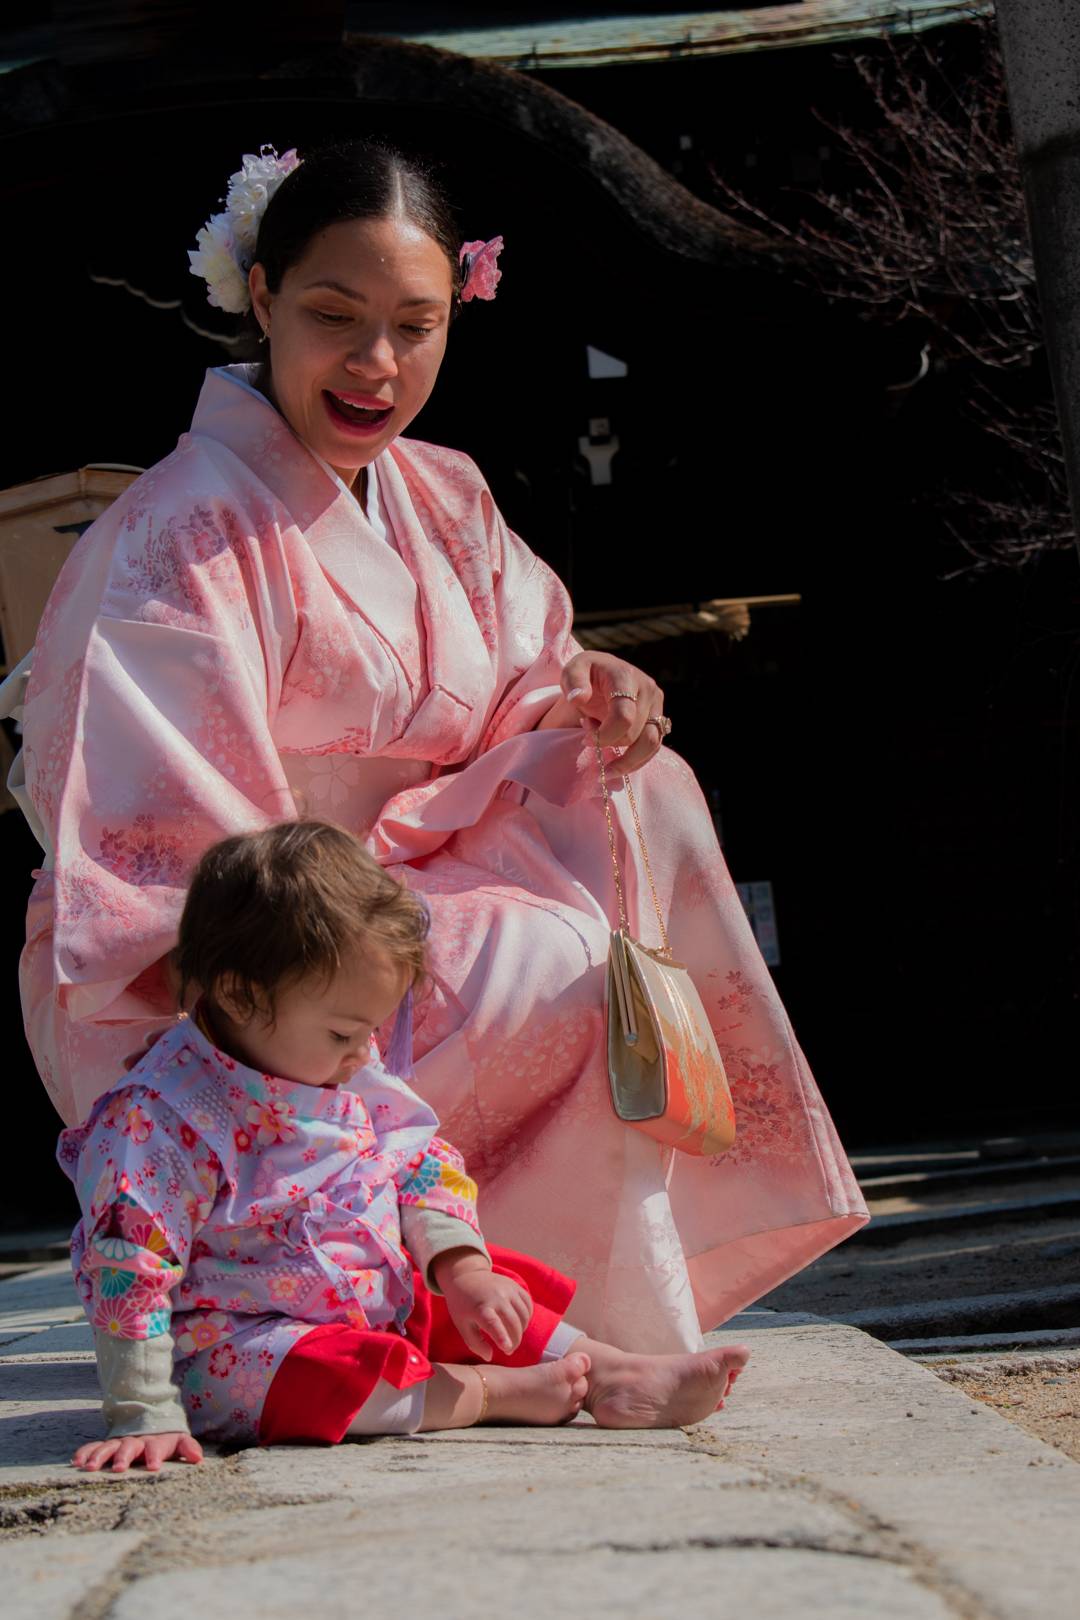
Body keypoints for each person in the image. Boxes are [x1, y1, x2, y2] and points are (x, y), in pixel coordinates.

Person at [20, 139, 866, 1356]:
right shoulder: (180, 532)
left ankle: (565, 1299)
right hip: (237, 955)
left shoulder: (449, 494)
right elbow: (165, 845)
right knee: (552, 953)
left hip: (406, 889)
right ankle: (495, 1309)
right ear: (262, 299)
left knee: (649, 790)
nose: (377, 364)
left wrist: (595, 694)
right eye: (334, 316)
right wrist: (351, 921)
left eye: (416, 326)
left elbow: (528, 688)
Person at [63, 821, 750, 1471]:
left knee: (486, 1294)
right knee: (320, 1380)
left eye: (371, 1030)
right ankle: (489, 1397)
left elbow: (418, 1159)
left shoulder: (343, 1068)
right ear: (240, 996)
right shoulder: (159, 1117)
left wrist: (460, 1266)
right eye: (341, 1032)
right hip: (245, 1345)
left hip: (373, 1300)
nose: (362, 1050)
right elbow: (128, 1264)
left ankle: (611, 1370)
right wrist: (144, 1410)